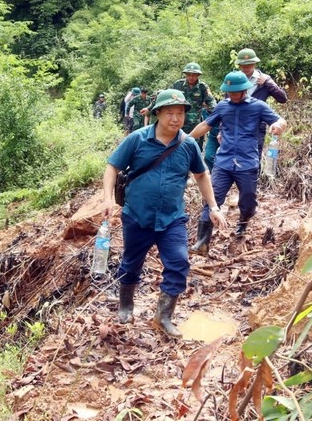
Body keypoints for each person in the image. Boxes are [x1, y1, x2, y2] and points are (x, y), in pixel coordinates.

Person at [102, 90, 227, 338]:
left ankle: (164, 316)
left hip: (172, 219)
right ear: (158, 113)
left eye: (180, 113)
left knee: (179, 263)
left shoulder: (188, 145)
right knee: (131, 263)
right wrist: (107, 199)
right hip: (137, 215)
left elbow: (201, 175)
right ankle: (125, 306)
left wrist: (213, 206)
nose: (175, 118)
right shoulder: (137, 140)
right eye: (169, 112)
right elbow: (112, 166)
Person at [188, 71, 287, 254]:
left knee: (248, 201)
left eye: (236, 92)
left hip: (247, 162)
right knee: (212, 199)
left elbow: (280, 120)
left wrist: (278, 126)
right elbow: (206, 125)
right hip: (223, 162)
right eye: (229, 92)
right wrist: (185, 139)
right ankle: (202, 243)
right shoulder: (222, 106)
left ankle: (242, 224)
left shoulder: (259, 106)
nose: (232, 95)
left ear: (245, 90)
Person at [236, 48, 288, 158]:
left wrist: (268, 84)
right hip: (236, 123)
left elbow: (282, 98)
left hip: (256, 125)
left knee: (254, 157)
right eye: (243, 65)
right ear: (239, 65)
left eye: (249, 64)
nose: (246, 67)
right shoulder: (235, 79)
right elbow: (226, 102)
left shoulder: (264, 78)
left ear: (254, 63)